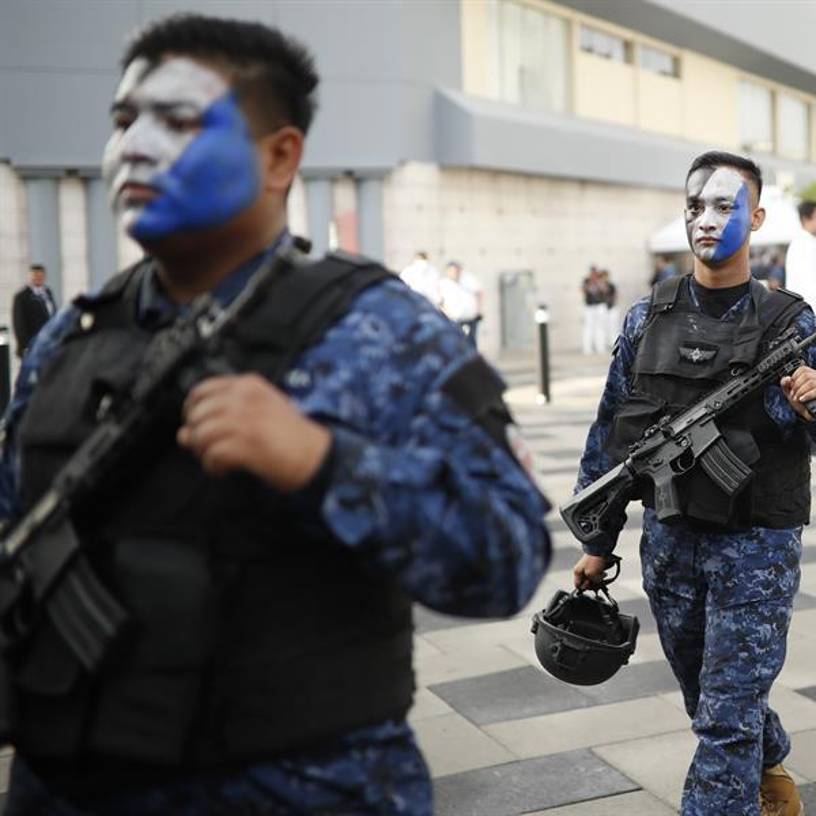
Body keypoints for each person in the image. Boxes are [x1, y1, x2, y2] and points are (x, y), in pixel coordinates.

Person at [0, 15, 551, 815]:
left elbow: (508, 557)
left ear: (280, 156)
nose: (136, 147)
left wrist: (323, 462)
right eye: (124, 121)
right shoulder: (68, 337)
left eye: (180, 121)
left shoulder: (381, 330)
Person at [572, 151, 816, 816]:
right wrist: (598, 539)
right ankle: (768, 759)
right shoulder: (648, 319)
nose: (707, 220)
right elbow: (611, 433)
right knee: (709, 695)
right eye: (695, 206)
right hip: (672, 542)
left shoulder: (791, 322)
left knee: (724, 718)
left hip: (756, 546)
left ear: (757, 218)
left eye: (725, 206)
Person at [784, 199, 816, 320]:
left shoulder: (811, 243)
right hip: (813, 317)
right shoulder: (801, 245)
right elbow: (805, 285)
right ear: (806, 219)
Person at [11, 263, 57, 358]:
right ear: (30, 277)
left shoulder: (48, 292)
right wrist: (26, 345)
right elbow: (19, 324)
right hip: (32, 345)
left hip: (48, 344)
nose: (38, 278)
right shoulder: (22, 297)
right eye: (35, 275)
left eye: (41, 276)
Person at [438, 259, 484, 345]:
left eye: (457, 270)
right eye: (452, 271)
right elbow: (439, 302)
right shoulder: (443, 284)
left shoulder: (469, 280)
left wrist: (479, 311)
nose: (455, 273)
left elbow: (479, 293)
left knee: (471, 342)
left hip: (470, 318)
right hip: (453, 319)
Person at [581, 265, 609, 354]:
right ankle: (587, 348)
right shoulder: (586, 281)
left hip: (599, 306)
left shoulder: (601, 279)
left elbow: (605, 290)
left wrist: (598, 282)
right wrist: (590, 284)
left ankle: (600, 347)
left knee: (600, 327)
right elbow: (583, 291)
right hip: (589, 306)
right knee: (588, 327)